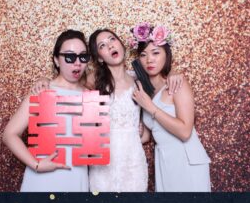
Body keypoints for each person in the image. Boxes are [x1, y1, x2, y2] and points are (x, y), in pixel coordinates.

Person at [2, 30, 91, 192]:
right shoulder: (42, 91)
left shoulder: (90, 96)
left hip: (77, 178)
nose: (77, 63)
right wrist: (36, 164)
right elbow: (9, 134)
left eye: (83, 56)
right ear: (56, 60)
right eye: (70, 57)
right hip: (43, 179)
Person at [130, 24, 212, 192]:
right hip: (165, 161)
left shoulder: (177, 84)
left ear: (166, 55)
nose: (149, 60)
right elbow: (146, 136)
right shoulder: (144, 92)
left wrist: (150, 107)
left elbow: (185, 132)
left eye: (155, 53)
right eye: (143, 55)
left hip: (187, 160)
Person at [87, 28, 148, 191]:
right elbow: (67, 84)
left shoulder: (139, 79)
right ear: (99, 58)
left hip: (133, 163)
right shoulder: (93, 81)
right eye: (102, 45)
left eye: (112, 39)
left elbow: (148, 127)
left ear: (121, 44)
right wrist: (43, 80)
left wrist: (174, 73)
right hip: (103, 163)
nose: (110, 46)